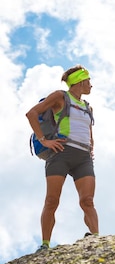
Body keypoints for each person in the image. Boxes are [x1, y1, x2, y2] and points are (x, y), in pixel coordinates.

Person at [26, 65, 99, 251]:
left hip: (83, 157)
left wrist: (91, 146)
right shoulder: (60, 96)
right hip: (61, 153)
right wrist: (44, 140)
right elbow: (31, 113)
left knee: (87, 200)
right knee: (52, 200)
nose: (91, 85)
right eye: (88, 80)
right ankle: (45, 244)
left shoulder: (87, 106)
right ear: (80, 81)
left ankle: (97, 238)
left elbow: (88, 129)